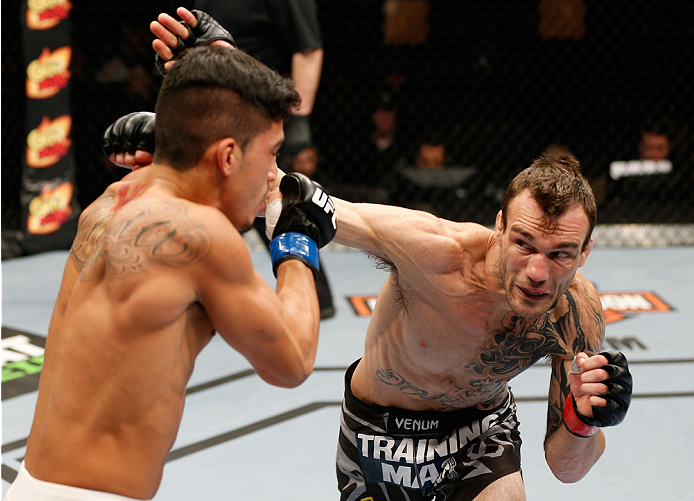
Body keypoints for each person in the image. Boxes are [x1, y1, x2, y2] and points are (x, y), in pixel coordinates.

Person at [114, 15, 635, 500]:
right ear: (498, 228)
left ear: (586, 252)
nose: (539, 272)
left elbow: (567, 467)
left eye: (561, 254)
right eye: (524, 243)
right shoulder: (434, 250)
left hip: (481, 430)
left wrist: (584, 421)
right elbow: (294, 195)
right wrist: (216, 85)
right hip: (378, 433)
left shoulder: (576, 312)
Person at [3, 46, 337, 500]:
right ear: (227, 157)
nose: (273, 177)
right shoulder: (201, 235)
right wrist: (297, 241)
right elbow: (292, 361)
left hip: (34, 485)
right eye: (271, 155)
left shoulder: (108, 203)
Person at [153, 3, 335, 318]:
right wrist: (194, 76)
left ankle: (314, 295)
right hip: (215, 122)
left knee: (273, 204)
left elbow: (308, 48)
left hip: (263, 122)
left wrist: (299, 122)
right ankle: (202, 294)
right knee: (227, 213)